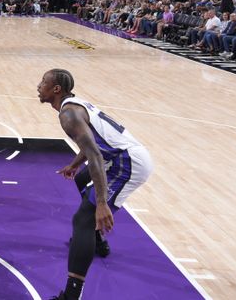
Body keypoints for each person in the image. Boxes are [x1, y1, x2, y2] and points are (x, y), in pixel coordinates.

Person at [37, 69, 153, 300]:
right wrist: (75, 165)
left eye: (43, 82)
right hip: (122, 156)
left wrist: (101, 203)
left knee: (84, 219)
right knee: (82, 179)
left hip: (127, 163)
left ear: (56, 89)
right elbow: (92, 144)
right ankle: (97, 240)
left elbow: (96, 156)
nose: (38, 86)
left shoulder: (68, 115)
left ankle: (71, 296)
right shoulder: (74, 104)